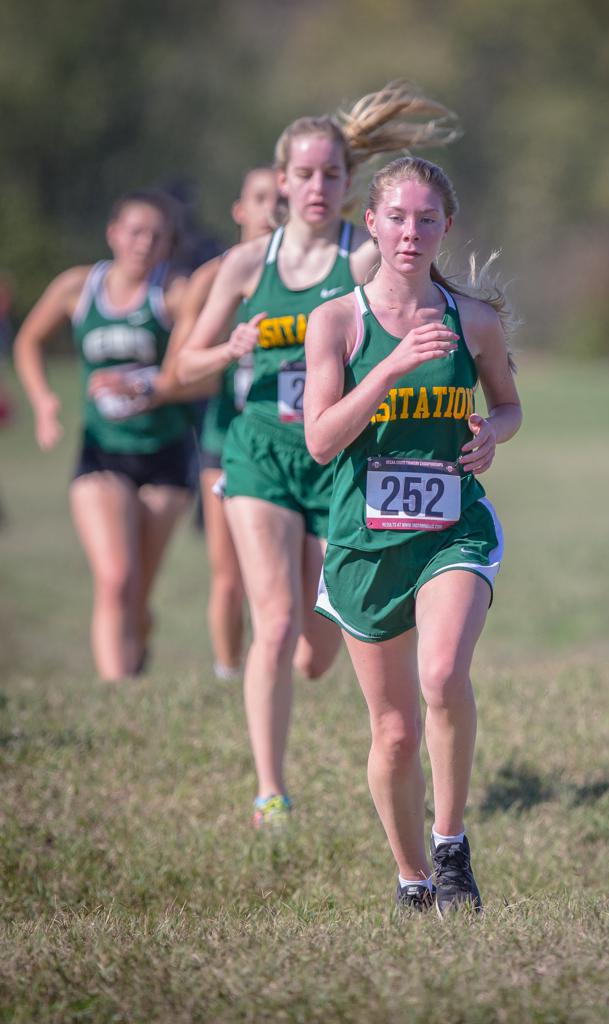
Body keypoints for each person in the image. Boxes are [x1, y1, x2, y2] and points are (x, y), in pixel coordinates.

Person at [175, 82, 460, 828]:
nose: (315, 186)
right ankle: (271, 790)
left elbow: (411, 247)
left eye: (331, 174)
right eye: (302, 174)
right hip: (262, 452)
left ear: (345, 184)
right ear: (280, 180)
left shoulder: (362, 253)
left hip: (341, 463)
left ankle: (311, 678)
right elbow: (182, 368)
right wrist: (228, 349)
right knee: (271, 622)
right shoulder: (245, 267)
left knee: (315, 651)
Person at [303, 156, 522, 914]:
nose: (410, 232)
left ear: (445, 228)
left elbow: (509, 406)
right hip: (364, 543)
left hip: (451, 529)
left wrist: (492, 433)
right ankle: (411, 880)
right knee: (394, 732)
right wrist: (390, 367)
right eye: (396, 216)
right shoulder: (335, 321)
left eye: (427, 219)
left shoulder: (474, 320)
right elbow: (323, 440)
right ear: (371, 222)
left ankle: (452, 845)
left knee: (439, 677)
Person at [14, 189, 194, 681]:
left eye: (157, 236)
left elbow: (192, 369)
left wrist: (147, 385)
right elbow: (28, 340)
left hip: (166, 456)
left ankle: (138, 634)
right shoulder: (78, 287)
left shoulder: (174, 293)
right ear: (113, 233)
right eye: (136, 232)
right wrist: (45, 402)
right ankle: (118, 695)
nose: (144, 244)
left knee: (136, 596)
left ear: (167, 244)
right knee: (115, 580)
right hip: (101, 453)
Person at [164, 167, 279, 681]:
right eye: (261, 198)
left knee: (294, 575)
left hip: (296, 441)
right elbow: (177, 375)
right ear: (239, 210)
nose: (273, 209)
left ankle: (280, 670)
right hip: (226, 437)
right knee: (230, 576)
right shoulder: (214, 278)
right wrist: (229, 357)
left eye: (282, 198)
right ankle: (229, 673)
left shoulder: (318, 274)